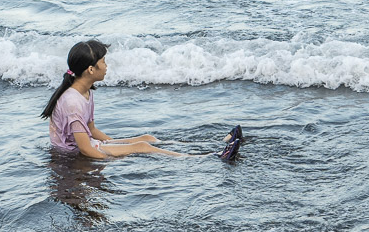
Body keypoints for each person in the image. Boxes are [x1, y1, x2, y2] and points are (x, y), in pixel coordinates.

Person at [41, 39, 241, 160]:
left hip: (86, 144)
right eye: (103, 62)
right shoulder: (72, 102)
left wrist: (117, 144)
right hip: (72, 154)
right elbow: (85, 149)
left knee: (147, 138)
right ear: (91, 69)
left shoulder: (86, 92)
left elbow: (91, 130)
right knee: (142, 147)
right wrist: (115, 157)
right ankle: (209, 157)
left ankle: (218, 141)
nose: (107, 66)